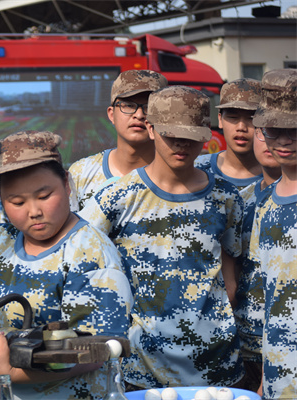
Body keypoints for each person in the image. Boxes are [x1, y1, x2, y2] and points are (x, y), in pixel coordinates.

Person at [0, 131, 133, 400]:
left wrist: (9, 371)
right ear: (0, 198)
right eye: (17, 202)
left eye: (44, 196)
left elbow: (97, 352)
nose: (34, 212)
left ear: (66, 184)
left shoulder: (89, 252)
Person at [80, 86, 245, 389]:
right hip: (142, 369)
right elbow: (81, 260)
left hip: (216, 366)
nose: (181, 144)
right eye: (171, 135)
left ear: (205, 136)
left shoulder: (226, 198)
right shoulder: (117, 197)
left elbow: (230, 281)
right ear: (151, 129)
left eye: (191, 136)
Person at [248, 68, 297, 400]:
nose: (283, 140)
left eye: (293, 130)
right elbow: (265, 296)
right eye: (273, 130)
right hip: (279, 376)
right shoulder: (264, 203)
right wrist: (267, 375)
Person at [68, 69, 167, 211]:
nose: (139, 115)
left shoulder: (182, 173)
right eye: (129, 105)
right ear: (111, 114)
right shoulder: (81, 173)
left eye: (150, 107)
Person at [233, 123, 282, 393]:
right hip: (242, 350)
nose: (269, 141)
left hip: (285, 348)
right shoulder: (240, 201)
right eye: (262, 132)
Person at [195, 78, 263, 190]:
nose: (241, 127)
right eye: (233, 117)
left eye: (251, 118)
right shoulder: (196, 169)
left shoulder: (280, 175)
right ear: (220, 120)